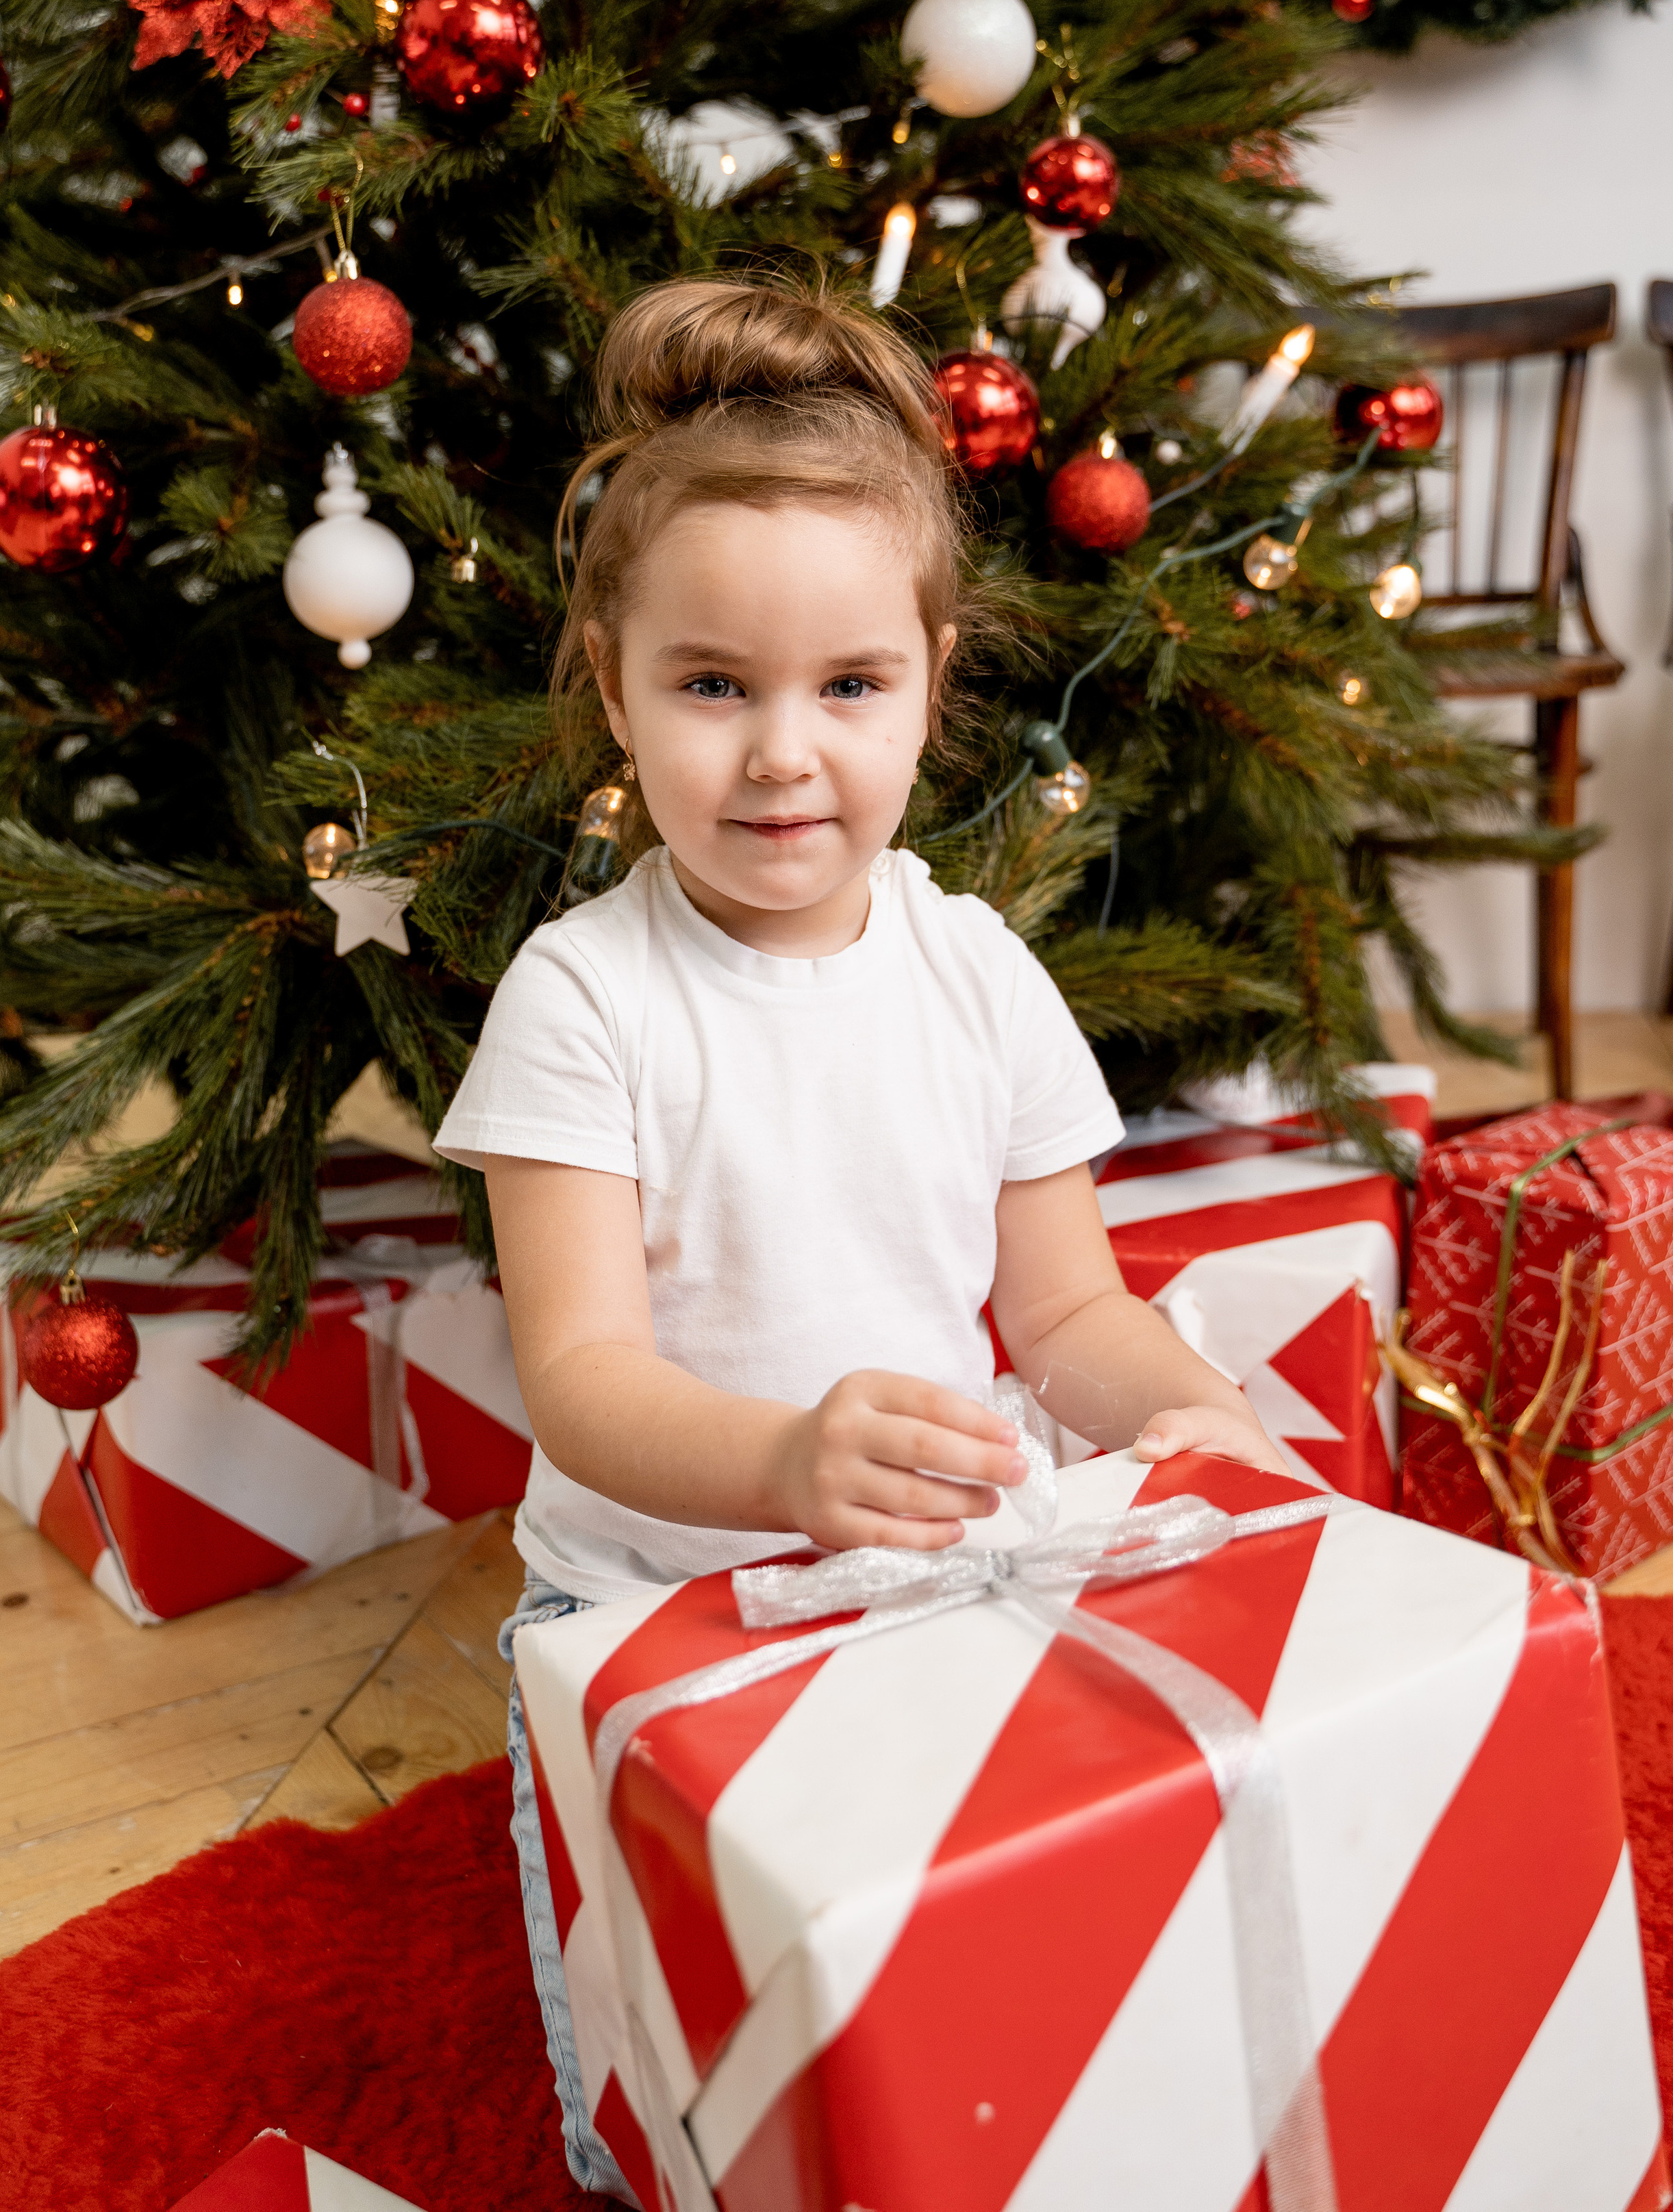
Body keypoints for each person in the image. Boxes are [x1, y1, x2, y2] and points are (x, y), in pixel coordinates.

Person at [431, 273, 1286, 2198]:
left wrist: (1203, 1415)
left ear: (932, 674)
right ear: (614, 676)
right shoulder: (585, 998)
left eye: (848, 689)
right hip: (651, 1615)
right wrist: (786, 1464)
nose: (783, 755)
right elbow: (578, 1381)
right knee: (683, 2082)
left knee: (990, 1979)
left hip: (939, 1561)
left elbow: (1064, 1306)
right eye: (714, 686)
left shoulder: (973, 969)